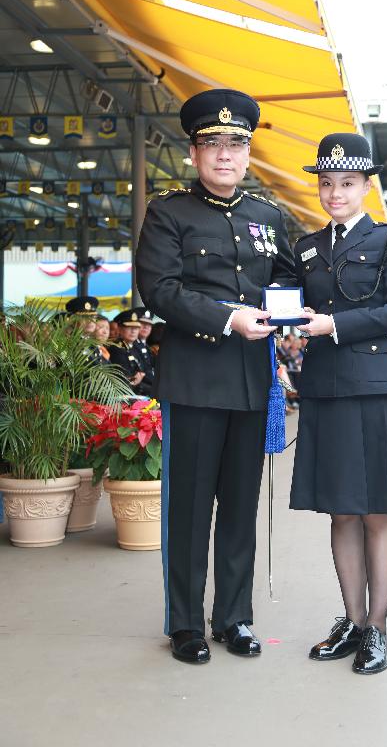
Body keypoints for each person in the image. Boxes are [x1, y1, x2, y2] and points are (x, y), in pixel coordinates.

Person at [135, 88, 295, 665]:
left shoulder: (269, 216)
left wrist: (295, 315)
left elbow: (287, 283)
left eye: (235, 144)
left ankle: (234, 617)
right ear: (193, 152)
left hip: (252, 382)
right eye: (212, 144)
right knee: (190, 507)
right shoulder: (169, 212)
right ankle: (184, 624)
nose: (224, 154)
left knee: (239, 506)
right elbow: (158, 289)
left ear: (248, 153)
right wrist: (228, 316)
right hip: (196, 378)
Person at [290, 133, 387, 675]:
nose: (334, 192)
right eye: (325, 182)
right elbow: (287, 303)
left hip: (374, 388)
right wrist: (284, 326)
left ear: (366, 186)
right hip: (324, 387)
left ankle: (378, 628)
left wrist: (333, 324)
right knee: (341, 508)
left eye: (346, 183)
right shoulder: (305, 248)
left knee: (377, 509)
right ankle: (352, 619)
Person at [107, 310, 148, 394]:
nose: (133, 331)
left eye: (136, 328)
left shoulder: (135, 347)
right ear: (119, 329)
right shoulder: (115, 348)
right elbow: (124, 377)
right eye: (129, 327)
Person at [132, 308, 155, 395]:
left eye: (149, 324)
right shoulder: (132, 345)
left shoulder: (146, 346)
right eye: (143, 323)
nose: (146, 327)